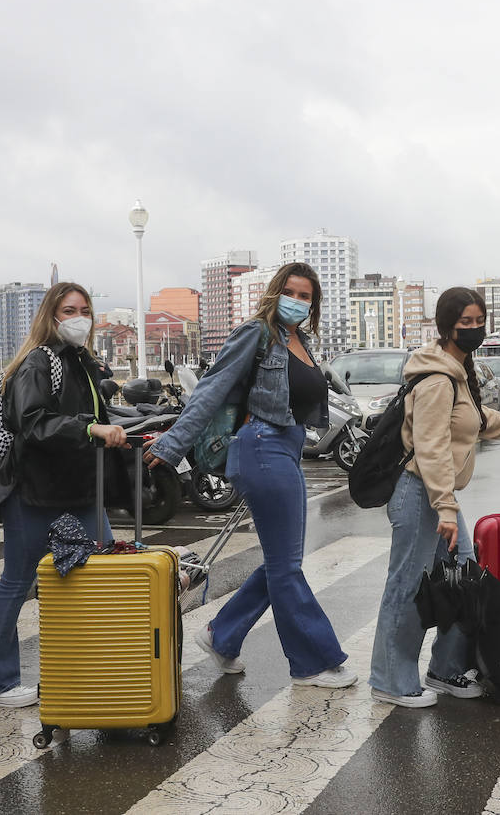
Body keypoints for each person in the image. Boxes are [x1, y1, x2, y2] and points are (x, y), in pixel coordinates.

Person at [145, 263, 355, 690]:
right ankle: (313, 661)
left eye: (306, 295)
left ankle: (220, 636)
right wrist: (172, 445)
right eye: (291, 292)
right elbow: (212, 389)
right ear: (276, 292)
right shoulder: (255, 333)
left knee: (283, 563)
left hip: (288, 447)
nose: (297, 300)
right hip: (260, 445)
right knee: (286, 567)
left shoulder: (303, 342)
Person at [369, 287, 500, 708]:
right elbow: (430, 448)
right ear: (446, 325)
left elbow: (474, 420)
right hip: (420, 495)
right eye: (465, 323)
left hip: (436, 498)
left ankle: (445, 669)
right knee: (408, 586)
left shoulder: (458, 370)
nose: (474, 329)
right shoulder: (436, 378)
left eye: (479, 321)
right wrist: (445, 507)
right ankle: (389, 680)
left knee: (464, 577)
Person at [0, 282, 129, 708]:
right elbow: (33, 422)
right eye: (68, 310)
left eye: (84, 309)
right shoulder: (37, 364)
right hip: (35, 492)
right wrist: (88, 428)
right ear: (50, 317)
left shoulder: (83, 362)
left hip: (79, 490)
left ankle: (103, 670)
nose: (79, 318)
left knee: (103, 576)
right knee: (17, 582)